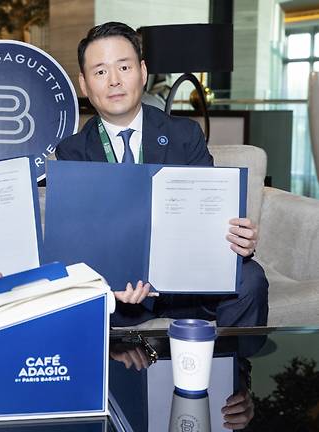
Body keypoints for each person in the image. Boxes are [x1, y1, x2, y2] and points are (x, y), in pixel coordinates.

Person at [55, 22, 268, 327]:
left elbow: (209, 214)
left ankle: (235, 371)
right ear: (84, 85)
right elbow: (77, 243)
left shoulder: (184, 134)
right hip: (118, 289)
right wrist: (108, 283)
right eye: (100, 72)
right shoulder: (72, 151)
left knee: (249, 278)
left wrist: (238, 239)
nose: (114, 81)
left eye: (124, 67)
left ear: (142, 72)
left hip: (186, 280)